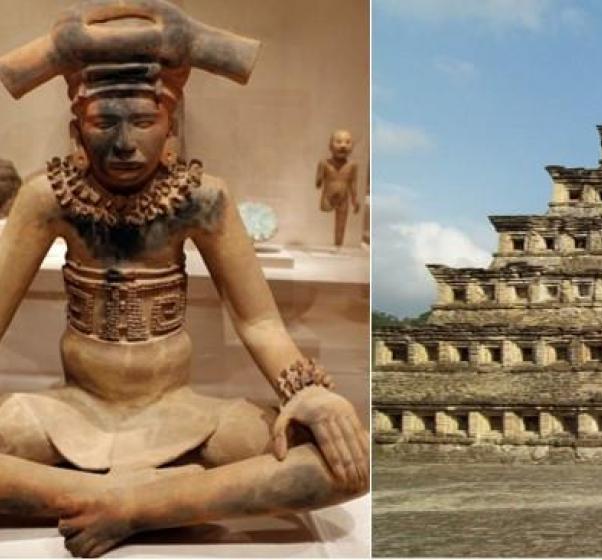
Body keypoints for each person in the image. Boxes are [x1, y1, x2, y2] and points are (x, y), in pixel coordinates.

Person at [0, 1, 368, 557]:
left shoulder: (202, 199)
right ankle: (162, 500)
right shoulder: (45, 198)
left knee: (344, 465)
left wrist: (309, 392)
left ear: (172, 126)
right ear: (78, 129)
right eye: (105, 123)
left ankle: (124, 507)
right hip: (67, 413)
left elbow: (260, 320)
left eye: (144, 122)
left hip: (181, 413)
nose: (125, 143)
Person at [316, 129, 360, 247]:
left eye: (347, 142)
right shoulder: (325, 163)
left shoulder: (352, 165)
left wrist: (355, 200)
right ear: (330, 145)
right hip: (327, 197)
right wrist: (320, 176)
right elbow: (318, 183)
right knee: (322, 222)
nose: (343, 146)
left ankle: (338, 246)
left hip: (343, 198)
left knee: (341, 224)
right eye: (338, 142)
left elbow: (353, 183)